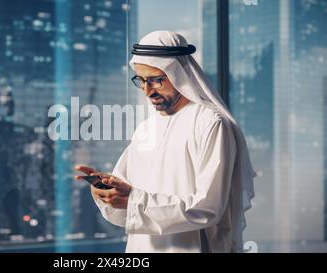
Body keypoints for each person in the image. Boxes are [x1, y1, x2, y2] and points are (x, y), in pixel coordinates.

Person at [75, 31, 256, 253]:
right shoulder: (146, 128)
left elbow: (208, 208)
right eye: (141, 81)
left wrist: (133, 200)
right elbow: (127, 197)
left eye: (155, 80)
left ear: (179, 74)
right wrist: (108, 190)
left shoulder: (210, 123)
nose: (147, 91)